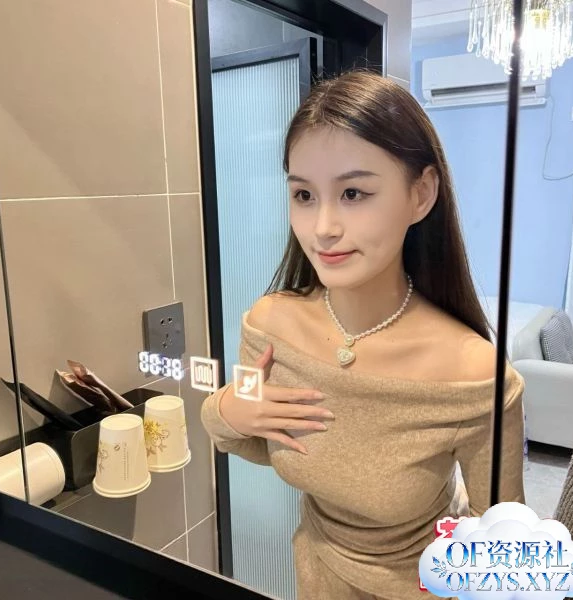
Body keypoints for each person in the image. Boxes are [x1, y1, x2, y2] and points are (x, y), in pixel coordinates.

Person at [200, 70, 525, 600]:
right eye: (304, 194)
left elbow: (503, 547)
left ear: (421, 194)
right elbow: (256, 438)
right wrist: (225, 411)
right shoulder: (269, 326)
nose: (323, 227)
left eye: (353, 192)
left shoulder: (474, 376)